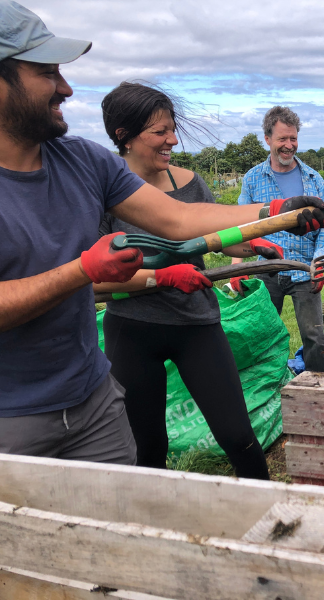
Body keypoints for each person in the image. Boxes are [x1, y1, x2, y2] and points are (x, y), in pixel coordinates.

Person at [0, 1, 324, 464]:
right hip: (10, 417)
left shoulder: (81, 161)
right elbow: (86, 281)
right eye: (46, 73)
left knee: (131, 508)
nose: (66, 87)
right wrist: (96, 272)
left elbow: (178, 220)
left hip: (92, 398)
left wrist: (277, 209)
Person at [94, 83, 285, 479]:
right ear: (122, 136)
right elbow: (93, 280)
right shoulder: (104, 192)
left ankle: (273, 517)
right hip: (133, 330)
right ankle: (155, 529)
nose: (172, 140)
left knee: (238, 435)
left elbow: (214, 240)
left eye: (172, 128)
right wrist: (162, 276)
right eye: (160, 132)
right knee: (148, 445)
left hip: (196, 324)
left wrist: (253, 246)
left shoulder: (190, 183)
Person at [231, 106, 324, 373]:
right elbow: (241, 226)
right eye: (282, 139)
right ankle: (267, 385)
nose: (289, 146)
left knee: (314, 338)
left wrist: (321, 262)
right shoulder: (254, 179)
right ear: (267, 139)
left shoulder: (313, 179)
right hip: (267, 270)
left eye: (293, 139)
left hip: (306, 271)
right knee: (262, 336)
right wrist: (237, 266)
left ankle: (321, 390)